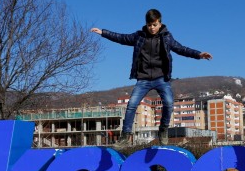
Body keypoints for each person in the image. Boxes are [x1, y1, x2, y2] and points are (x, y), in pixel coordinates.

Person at [91, 9, 212, 146]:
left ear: (160, 23)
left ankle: (163, 130)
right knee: (131, 105)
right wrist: (103, 32)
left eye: (154, 25)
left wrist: (199, 54)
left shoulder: (166, 37)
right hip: (143, 79)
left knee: (168, 102)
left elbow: (181, 49)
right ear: (146, 24)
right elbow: (121, 38)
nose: (152, 28)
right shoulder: (139, 36)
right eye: (149, 25)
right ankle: (125, 136)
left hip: (161, 78)